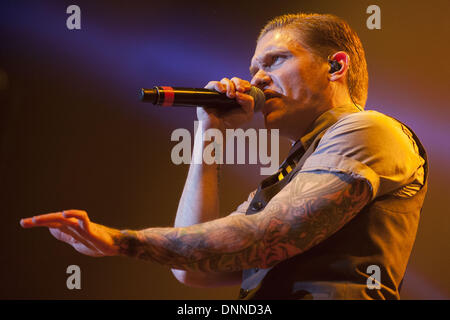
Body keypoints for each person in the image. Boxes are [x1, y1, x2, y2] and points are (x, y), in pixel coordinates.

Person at [20, 13, 428, 300]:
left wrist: (123, 240)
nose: (257, 79)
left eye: (276, 60)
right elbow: (194, 270)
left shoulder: (369, 129)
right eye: (253, 68)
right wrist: (208, 131)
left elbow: (269, 233)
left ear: (336, 66)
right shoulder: (289, 174)